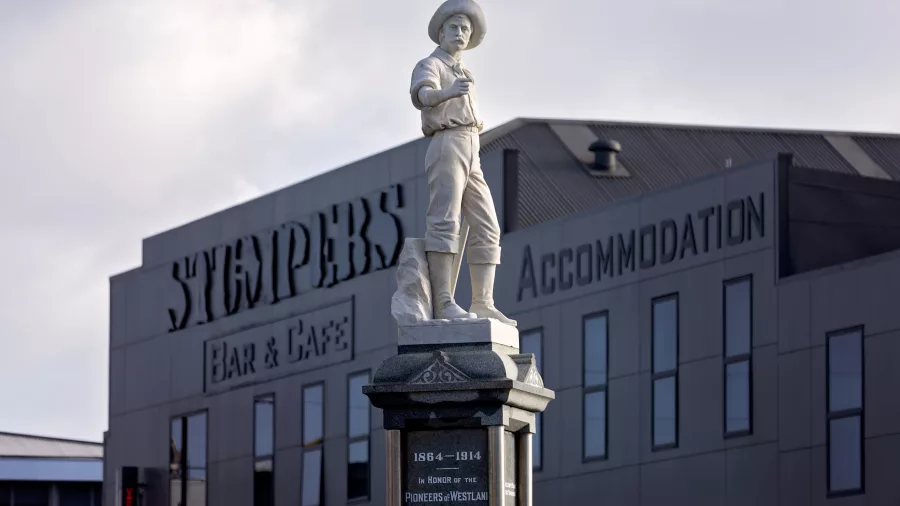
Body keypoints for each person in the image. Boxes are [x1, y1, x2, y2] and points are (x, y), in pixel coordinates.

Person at [409, 0, 515, 326]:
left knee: (488, 225)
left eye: (465, 29)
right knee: (445, 221)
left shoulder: (465, 71)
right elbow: (422, 96)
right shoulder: (431, 64)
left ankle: (483, 302)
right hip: (447, 141)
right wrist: (449, 92)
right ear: (441, 32)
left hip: (472, 145)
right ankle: (443, 301)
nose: (460, 33)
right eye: (454, 27)